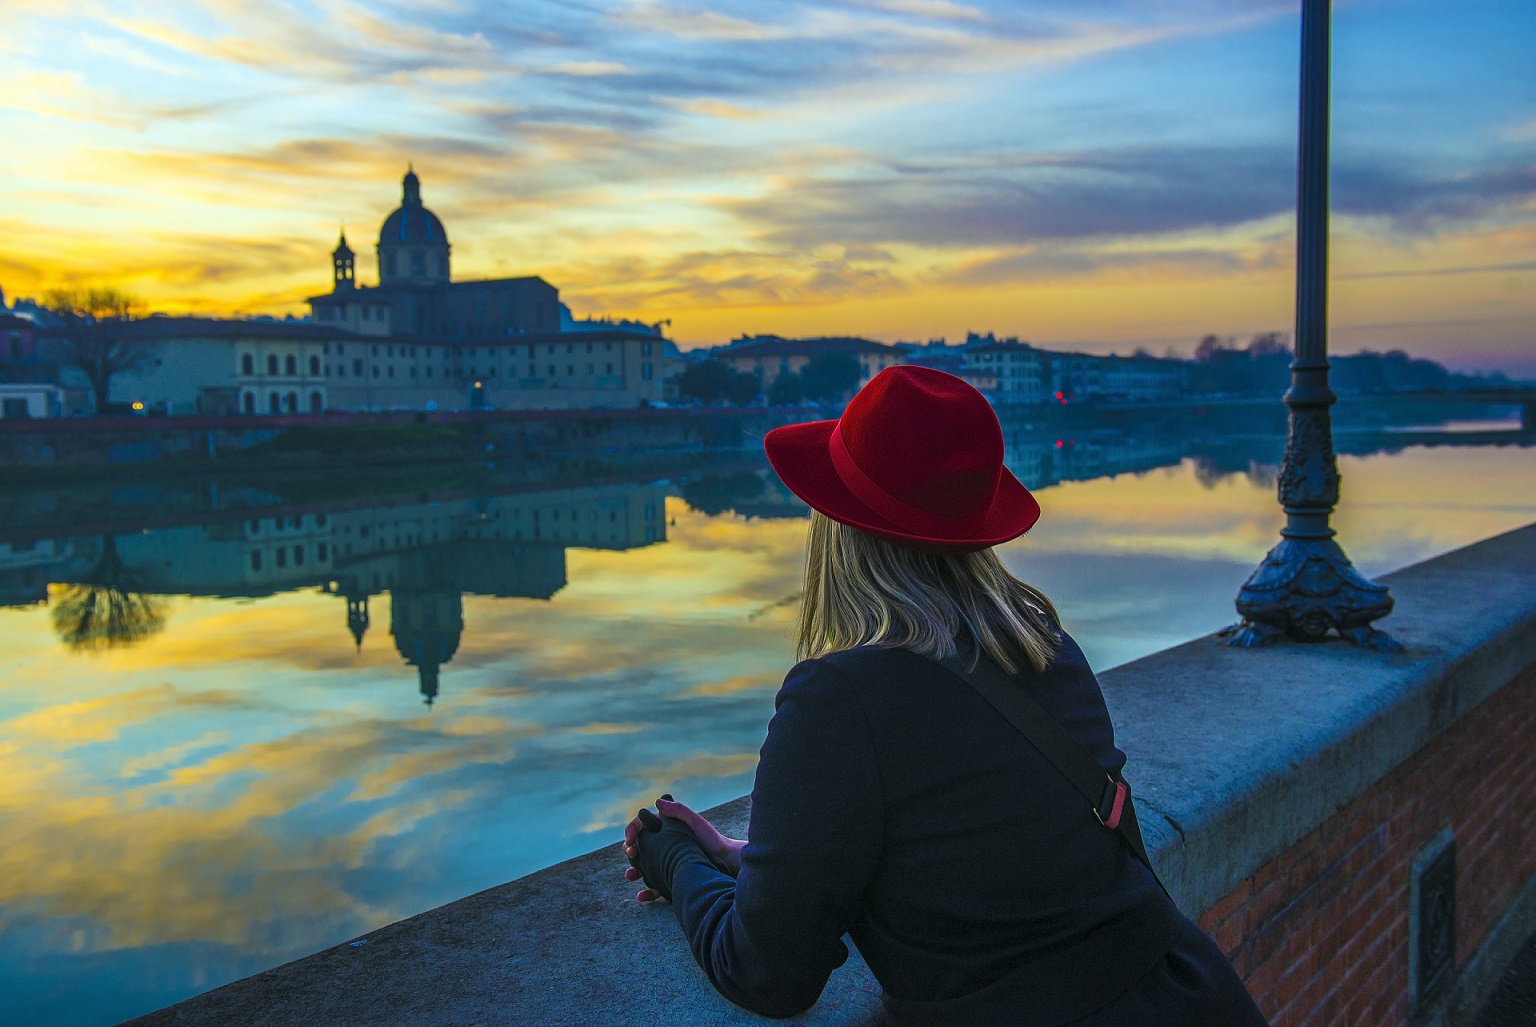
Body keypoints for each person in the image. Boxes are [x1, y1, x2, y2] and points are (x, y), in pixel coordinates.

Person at [622, 366, 1270, 1026]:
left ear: (841, 534)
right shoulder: (1048, 650)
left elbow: (766, 973)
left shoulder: (840, 699)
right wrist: (759, 859)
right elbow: (975, 842)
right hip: (1186, 996)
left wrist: (671, 859)